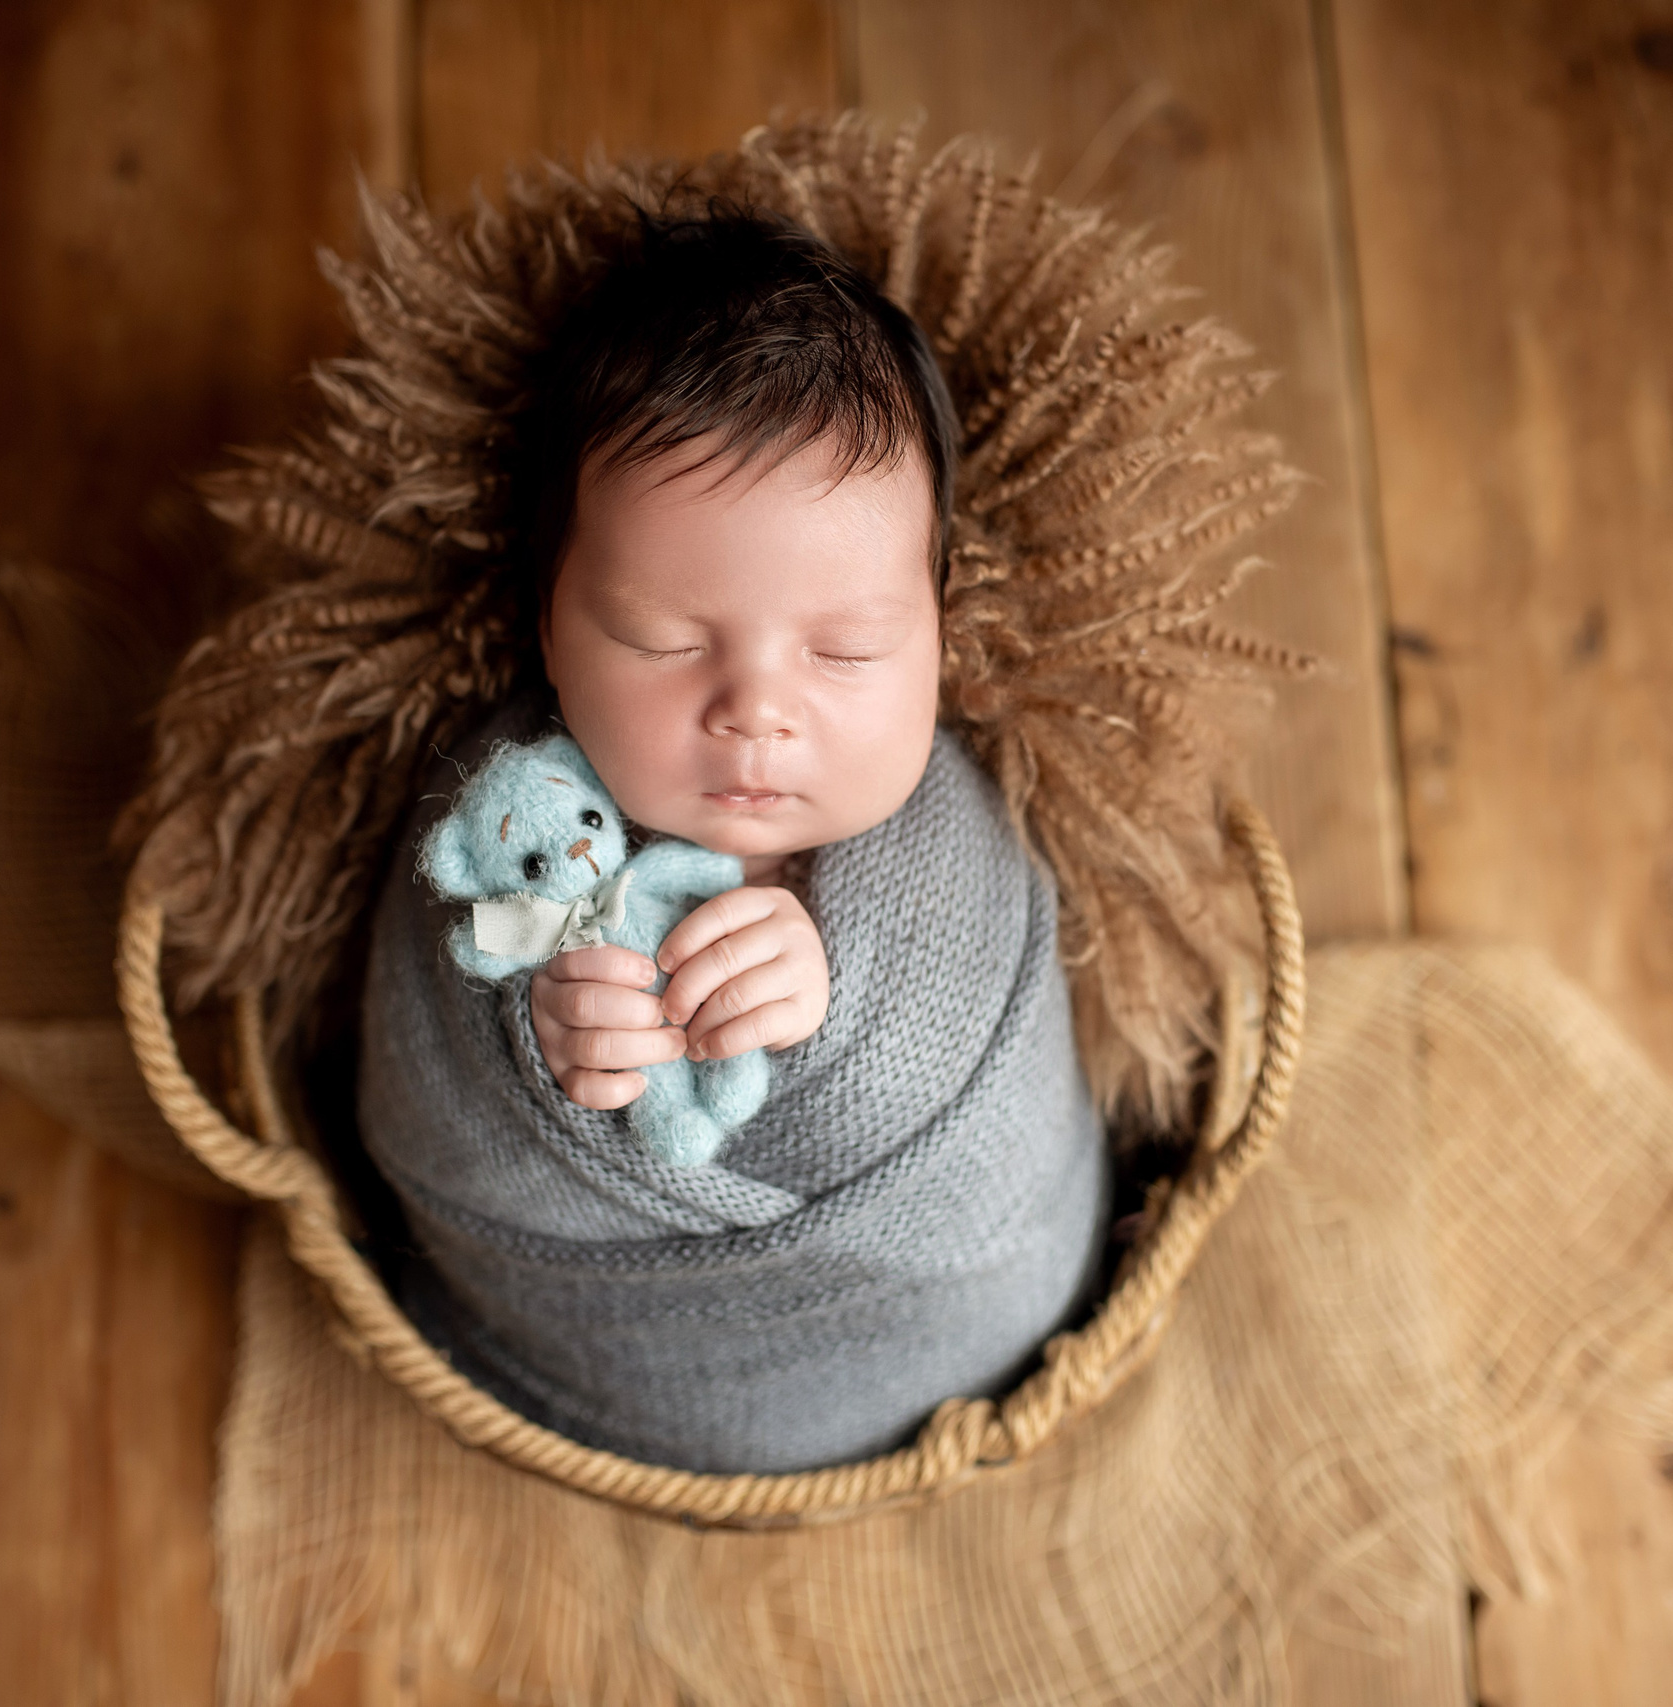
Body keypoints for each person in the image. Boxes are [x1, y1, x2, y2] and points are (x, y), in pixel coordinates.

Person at [357, 206, 1112, 1474]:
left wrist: (838, 990)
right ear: (547, 626)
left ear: (938, 631)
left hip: (952, 1332)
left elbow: (999, 1106)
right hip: (589, 1349)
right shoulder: (501, 810)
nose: (756, 709)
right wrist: (540, 1049)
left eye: (847, 651)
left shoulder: (950, 842)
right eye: (662, 639)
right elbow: (425, 1058)